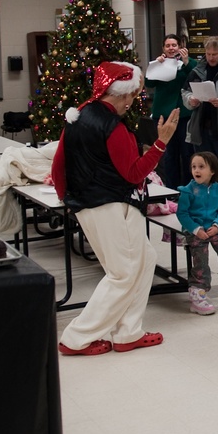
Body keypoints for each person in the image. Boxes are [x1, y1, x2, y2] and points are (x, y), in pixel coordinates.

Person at [52, 61, 177, 356]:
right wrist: (161, 143)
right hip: (109, 205)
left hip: (90, 203)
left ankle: (128, 332)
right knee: (122, 273)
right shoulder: (113, 127)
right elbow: (134, 174)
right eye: (133, 95)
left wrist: (66, 199)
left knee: (144, 259)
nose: (132, 102)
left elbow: (59, 164)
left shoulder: (78, 115)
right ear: (122, 93)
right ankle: (76, 338)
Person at [176, 151, 218, 315]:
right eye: (193, 167)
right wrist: (196, 229)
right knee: (200, 262)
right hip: (197, 233)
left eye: (201, 167)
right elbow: (182, 214)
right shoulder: (187, 191)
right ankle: (198, 294)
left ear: (212, 171)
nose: (196, 170)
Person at [183, 36, 218, 207]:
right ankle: (205, 200)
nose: (211, 58)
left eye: (215, 54)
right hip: (201, 127)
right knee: (203, 166)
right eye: (208, 54)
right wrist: (191, 100)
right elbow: (185, 92)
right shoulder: (197, 70)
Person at [145, 33, 196, 188]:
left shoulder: (189, 62)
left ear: (180, 47)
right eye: (168, 45)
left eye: (174, 45)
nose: (171, 48)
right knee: (169, 154)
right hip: (164, 114)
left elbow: (196, 76)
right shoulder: (158, 63)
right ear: (163, 48)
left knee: (187, 153)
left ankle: (188, 187)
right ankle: (171, 188)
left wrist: (186, 62)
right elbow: (149, 82)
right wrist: (156, 65)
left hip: (184, 113)